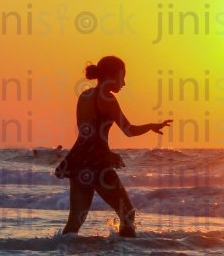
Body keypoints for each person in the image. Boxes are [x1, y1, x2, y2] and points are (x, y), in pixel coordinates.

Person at [55, 56, 172, 237]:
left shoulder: (85, 95)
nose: (124, 83)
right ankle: (123, 253)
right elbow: (129, 130)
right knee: (127, 213)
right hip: (96, 163)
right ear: (110, 75)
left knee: (75, 221)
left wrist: (108, 152)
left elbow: (86, 134)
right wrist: (151, 126)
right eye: (121, 77)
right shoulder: (107, 98)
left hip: (78, 161)